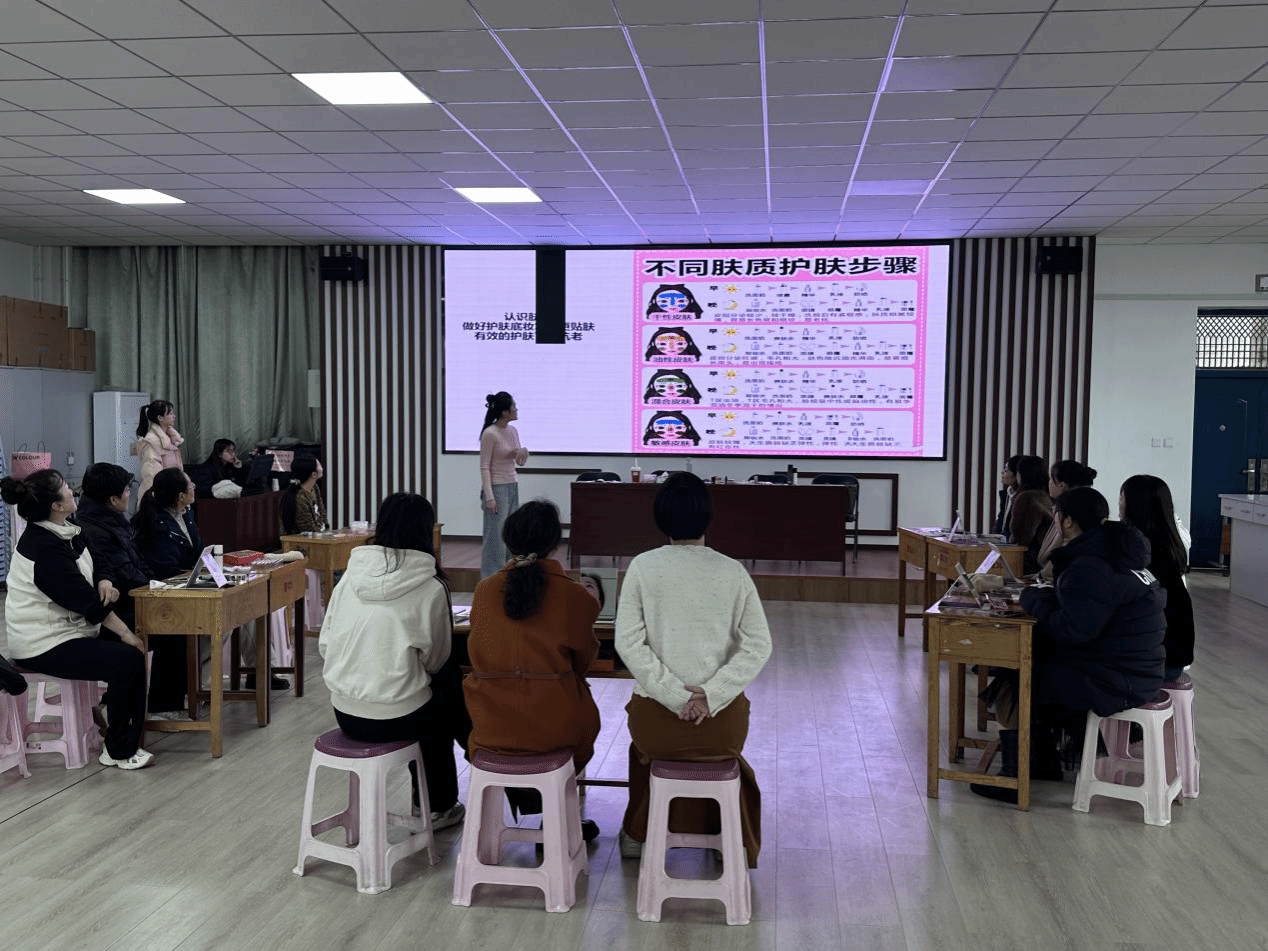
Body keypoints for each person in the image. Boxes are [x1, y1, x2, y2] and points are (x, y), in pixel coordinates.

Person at [615, 472, 772, 867]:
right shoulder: (733, 571)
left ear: (660, 517)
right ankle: (724, 838)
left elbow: (628, 644)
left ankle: (638, 835)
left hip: (656, 724)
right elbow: (759, 645)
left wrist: (675, 697)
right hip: (721, 725)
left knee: (644, 749)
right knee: (715, 755)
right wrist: (711, 695)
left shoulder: (642, 567)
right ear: (708, 516)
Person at [973, 487, 1166, 804]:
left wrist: (1032, 599)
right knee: (1033, 666)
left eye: (1056, 516)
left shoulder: (1089, 565)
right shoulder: (1115, 553)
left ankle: (1014, 777)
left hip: (1116, 679)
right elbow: (1086, 613)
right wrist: (1046, 596)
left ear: (1067, 521)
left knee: (1017, 677)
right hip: (1137, 669)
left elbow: (1072, 630)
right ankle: (1040, 761)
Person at [318, 493, 471, 830]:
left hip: (346, 712)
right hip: (400, 717)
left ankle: (454, 782)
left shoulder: (350, 577)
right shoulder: (431, 586)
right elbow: (437, 660)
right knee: (444, 697)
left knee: (435, 696)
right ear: (426, 531)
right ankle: (437, 805)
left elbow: (325, 644)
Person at [464, 500, 602, 839]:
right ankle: (555, 815)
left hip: (490, 728)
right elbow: (584, 662)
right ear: (555, 543)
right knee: (578, 713)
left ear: (508, 540)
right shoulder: (575, 596)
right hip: (556, 730)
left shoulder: (484, 590)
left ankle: (532, 809)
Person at [1, 469, 153, 769]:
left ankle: (130, 721)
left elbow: (99, 560)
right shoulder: (42, 548)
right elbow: (86, 603)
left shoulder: (68, 529)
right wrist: (125, 634)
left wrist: (105, 581)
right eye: (66, 488)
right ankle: (119, 749)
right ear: (56, 505)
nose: (72, 490)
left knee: (142, 635)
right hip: (43, 645)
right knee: (127, 659)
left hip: (72, 630)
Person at [130, 467, 198, 709]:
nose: (194, 488)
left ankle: (195, 685)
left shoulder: (187, 515)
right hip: (166, 597)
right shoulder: (158, 526)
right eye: (190, 485)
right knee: (195, 629)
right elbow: (167, 570)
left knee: (225, 623)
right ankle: (183, 691)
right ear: (180, 495)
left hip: (187, 589)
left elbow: (197, 553)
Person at [1120, 474, 1194, 682]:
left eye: (1122, 498)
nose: (1119, 504)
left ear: (1135, 506)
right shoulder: (1169, 544)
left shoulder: (1141, 550)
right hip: (1173, 659)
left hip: (1159, 663)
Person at [479, 391, 528, 578]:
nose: (516, 409)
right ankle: (491, 579)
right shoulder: (490, 433)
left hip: (512, 484)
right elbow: (484, 467)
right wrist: (489, 496)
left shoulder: (512, 431)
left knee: (510, 533)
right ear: (505, 412)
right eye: (513, 406)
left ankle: (508, 575)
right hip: (497, 488)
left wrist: (524, 452)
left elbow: (519, 462)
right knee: (495, 537)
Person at [1037, 460, 1098, 572]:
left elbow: (1062, 549)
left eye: (1051, 479)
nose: (1048, 483)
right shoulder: (1064, 507)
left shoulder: (1069, 512)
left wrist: (1041, 575)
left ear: (1061, 485)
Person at [1006, 454, 1051, 575]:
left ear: (1021, 474)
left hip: (1028, 564)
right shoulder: (1045, 496)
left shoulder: (1026, 497)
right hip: (1043, 561)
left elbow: (1021, 537)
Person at [135, 399, 183, 499]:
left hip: (172, 493)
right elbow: (151, 477)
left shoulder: (171, 438)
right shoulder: (151, 442)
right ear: (160, 418)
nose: (174, 416)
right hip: (158, 497)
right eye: (170, 414)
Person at [280, 456, 327, 535]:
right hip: (306, 539)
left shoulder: (315, 487)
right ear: (314, 474)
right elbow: (309, 529)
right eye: (319, 465)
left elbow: (322, 513)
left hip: (319, 535)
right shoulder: (300, 498)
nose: (322, 468)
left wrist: (327, 530)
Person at [993, 455, 1024, 536]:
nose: (1002, 472)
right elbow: (999, 524)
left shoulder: (1023, 498)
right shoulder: (1007, 494)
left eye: (1006, 470)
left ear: (1017, 474)